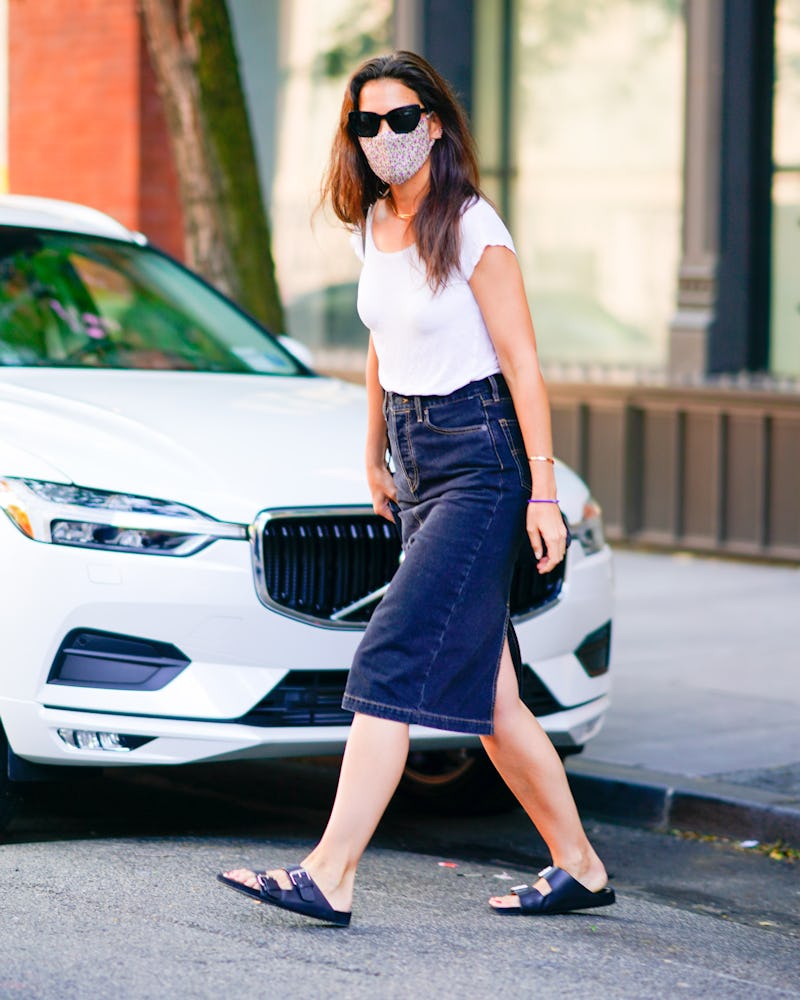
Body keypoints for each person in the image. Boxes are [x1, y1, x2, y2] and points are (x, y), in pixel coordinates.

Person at [218, 50, 614, 925]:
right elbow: (380, 343)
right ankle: (579, 863)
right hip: (418, 457)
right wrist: (372, 453)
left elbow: (522, 363)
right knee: (494, 698)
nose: (387, 137)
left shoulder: (473, 225)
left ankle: (331, 871)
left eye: (403, 119)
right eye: (369, 123)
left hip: (482, 463)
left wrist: (543, 494)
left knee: (390, 654)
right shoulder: (373, 224)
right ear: (353, 136)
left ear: (435, 122)